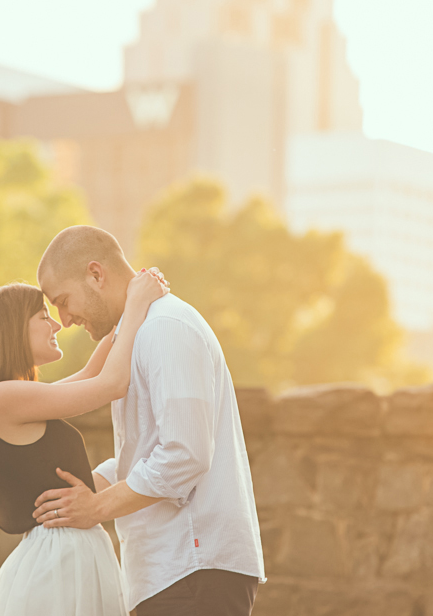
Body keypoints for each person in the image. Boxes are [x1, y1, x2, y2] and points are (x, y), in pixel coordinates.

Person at [31, 225, 265, 616]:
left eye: (63, 301)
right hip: (171, 573)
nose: (65, 319)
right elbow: (150, 448)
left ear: (96, 274)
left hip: (193, 569)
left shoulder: (164, 328)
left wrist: (96, 507)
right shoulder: (139, 332)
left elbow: (184, 454)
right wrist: (83, 487)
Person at [0, 269, 168, 616]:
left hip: (68, 555)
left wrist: (123, 311)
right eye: (42, 316)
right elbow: (111, 385)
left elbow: (92, 376)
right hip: (59, 562)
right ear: (11, 331)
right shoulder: (1, 397)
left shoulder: (11, 397)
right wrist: (137, 304)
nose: (56, 325)